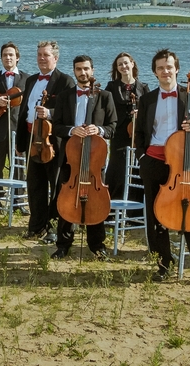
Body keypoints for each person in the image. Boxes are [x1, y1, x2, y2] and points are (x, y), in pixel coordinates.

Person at [134, 49, 190, 287]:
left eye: (169, 67)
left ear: (177, 69)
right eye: (160, 68)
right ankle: (164, 264)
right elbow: (139, 133)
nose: (165, 71)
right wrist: (142, 157)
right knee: (156, 218)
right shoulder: (147, 99)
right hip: (154, 162)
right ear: (155, 72)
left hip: (185, 165)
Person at [51, 55, 117, 259]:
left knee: (96, 202)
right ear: (74, 71)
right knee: (66, 200)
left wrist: (98, 130)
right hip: (70, 158)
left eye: (86, 68)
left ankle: (97, 245)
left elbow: (113, 127)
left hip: (95, 160)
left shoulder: (105, 96)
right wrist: (72, 130)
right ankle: (63, 244)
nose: (83, 72)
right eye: (79, 69)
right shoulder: (65, 96)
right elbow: (57, 126)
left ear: (92, 70)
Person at [15, 41, 75, 243]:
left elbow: (70, 111)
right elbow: (24, 112)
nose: (41, 58)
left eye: (46, 55)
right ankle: (36, 226)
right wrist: (20, 142)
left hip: (53, 142)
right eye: (39, 54)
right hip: (32, 138)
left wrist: (50, 113)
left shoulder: (65, 81)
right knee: (34, 185)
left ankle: (54, 228)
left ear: (55, 58)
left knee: (56, 185)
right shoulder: (31, 80)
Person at [103, 52, 147, 203]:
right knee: (118, 167)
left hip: (137, 134)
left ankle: (134, 206)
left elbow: (150, 111)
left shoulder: (143, 87)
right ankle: (112, 204)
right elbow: (107, 110)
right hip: (119, 133)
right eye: (120, 64)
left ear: (132, 64)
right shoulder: (111, 87)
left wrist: (140, 113)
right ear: (117, 68)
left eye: (126, 63)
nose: (123, 66)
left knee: (136, 167)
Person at [0, 42, 27, 181]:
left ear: (17, 57)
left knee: (18, 169)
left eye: (11, 55)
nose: (8, 57)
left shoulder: (27, 79)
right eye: (5, 55)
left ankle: (18, 194)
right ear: (1, 58)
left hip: (19, 131)